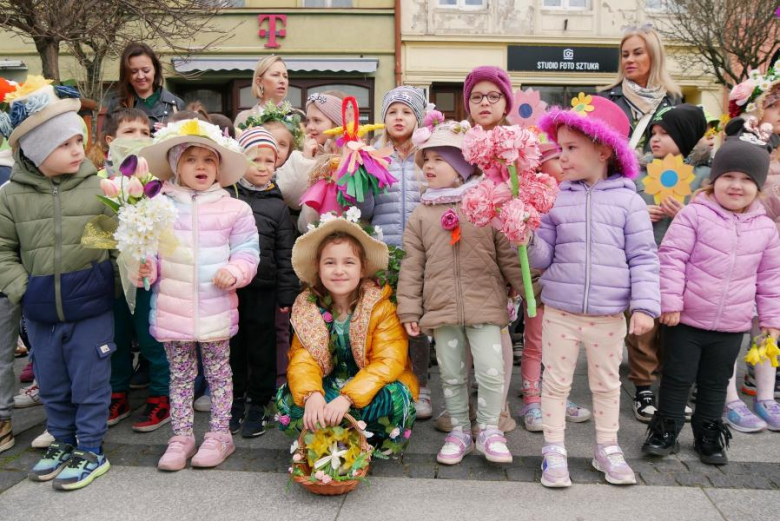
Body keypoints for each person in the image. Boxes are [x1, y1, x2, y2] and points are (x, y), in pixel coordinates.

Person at [533, 94, 660, 487]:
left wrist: (643, 305)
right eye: (560, 149)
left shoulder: (629, 202)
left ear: (603, 150)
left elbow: (643, 257)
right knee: (554, 383)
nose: (563, 157)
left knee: (606, 384)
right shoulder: (554, 200)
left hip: (608, 314)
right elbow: (541, 259)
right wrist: (525, 233)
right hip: (560, 311)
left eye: (572, 148)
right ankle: (553, 449)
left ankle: (606, 447)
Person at [0, 78, 119, 489]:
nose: (76, 150)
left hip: (90, 306)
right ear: (35, 150)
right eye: (63, 144)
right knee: (51, 382)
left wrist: (104, 270)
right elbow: (3, 249)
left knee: (90, 380)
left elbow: (109, 241)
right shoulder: (10, 196)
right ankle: (63, 441)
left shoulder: (97, 186)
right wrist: (23, 288)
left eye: (77, 141)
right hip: (41, 310)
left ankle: (90, 447)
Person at [642, 125, 780, 465]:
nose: (736, 185)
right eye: (728, 176)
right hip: (686, 319)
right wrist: (670, 302)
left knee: (716, 383)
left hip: (732, 325)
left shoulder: (765, 228)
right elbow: (672, 258)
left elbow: (770, 278)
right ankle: (666, 430)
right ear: (713, 180)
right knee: (676, 379)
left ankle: (708, 433)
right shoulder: (695, 214)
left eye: (747, 179)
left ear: (759, 187)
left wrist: (771, 322)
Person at [397, 120, 524, 465]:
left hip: (484, 305)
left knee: (491, 370)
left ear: (461, 168)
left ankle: (489, 429)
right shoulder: (421, 214)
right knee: (451, 375)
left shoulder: (485, 205)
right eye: (426, 160)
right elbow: (412, 264)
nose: (428, 166)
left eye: (438, 159)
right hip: (441, 308)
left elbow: (507, 255)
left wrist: (530, 290)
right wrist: (409, 309)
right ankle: (460, 429)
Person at [137, 118, 260, 470]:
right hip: (172, 308)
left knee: (220, 373)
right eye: (191, 159)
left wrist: (235, 272)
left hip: (216, 307)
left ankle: (220, 434)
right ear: (176, 165)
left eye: (209, 159)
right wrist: (144, 267)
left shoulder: (235, 208)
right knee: (180, 375)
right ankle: (181, 435)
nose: (201, 166)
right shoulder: (157, 205)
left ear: (219, 167)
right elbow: (149, 252)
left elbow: (247, 252)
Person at [275, 213, 418, 457]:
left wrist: (348, 398)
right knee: (289, 397)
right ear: (318, 269)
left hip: (369, 387)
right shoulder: (309, 307)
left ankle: (344, 430)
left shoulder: (380, 305)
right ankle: (336, 429)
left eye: (348, 263)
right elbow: (303, 358)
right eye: (330, 263)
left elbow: (388, 361)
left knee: (394, 398)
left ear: (362, 269)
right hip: (330, 384)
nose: (339, 271)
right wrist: (312, 394)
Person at [629, 104, 710, 423]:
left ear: (686, 138)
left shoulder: (704, 177)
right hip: (645, 262)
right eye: (654, 133)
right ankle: (643, 385)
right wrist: (638, 213)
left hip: (686, 267)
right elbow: (623, 209)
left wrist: (686, 215)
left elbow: (714, 222)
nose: (656, 140)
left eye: (666, 134)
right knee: (642, 329)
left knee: (675, 329)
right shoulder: (637, 175)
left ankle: (672, 385)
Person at [97, 112, 172, 433]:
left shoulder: (157, 183)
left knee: (152, 335)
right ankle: (117, 392)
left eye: (145, 131)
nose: (139, 137)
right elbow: (92, 230)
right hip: (111, 277)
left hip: (149, 278)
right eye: (130, 131)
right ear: (110, 141)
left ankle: (161, 394)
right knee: (115, 337)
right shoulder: (99, 182)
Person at [230, 127, 298, 437]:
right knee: (234, 347)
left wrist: (287, 295)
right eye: (254, 158)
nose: (262, 165)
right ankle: (235, 401)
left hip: (264, 288)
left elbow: (286, 253)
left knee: (262, 346)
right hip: (230, 288)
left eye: (269, 160)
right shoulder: (229, 198)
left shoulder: (278, 206)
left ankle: (260, 401)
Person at [371, 86, 432, 419]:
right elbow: (365, 207)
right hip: (384, 251)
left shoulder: (428, 155)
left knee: (417, 323)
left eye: (407, 112)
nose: (399, 117)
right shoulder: (374, 156)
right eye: (392, 111)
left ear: (418, 119)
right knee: (387, 322)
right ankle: (389, 380)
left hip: (421, 253)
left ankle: (422, 386)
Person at [726, 68, 780, 429]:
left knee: (769, 327)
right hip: (744, 248)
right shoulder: (752, 148)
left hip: (773, 259)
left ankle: (765, 395)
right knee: (732, 324)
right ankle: (727, 396)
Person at [599, 27, 681, 152]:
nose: (629, 60)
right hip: (618, 171)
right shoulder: (607, 99)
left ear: (654, 57)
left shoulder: (672, 100)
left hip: (659, 170)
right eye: (625, 55)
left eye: (637, 53)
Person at [105, 42, 185, 131]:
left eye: (146, 70)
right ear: (126, 74)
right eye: (134, 72)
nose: (140, 76)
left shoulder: (176, 105)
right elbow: (106, 141)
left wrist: (170, 134)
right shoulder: (117, 105)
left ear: (155, 70)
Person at [234, 56, 289, 128]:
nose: (282, 81)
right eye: (275, 75)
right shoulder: (244, 118)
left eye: (285, 76)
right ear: (259, 81)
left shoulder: (297, 116)